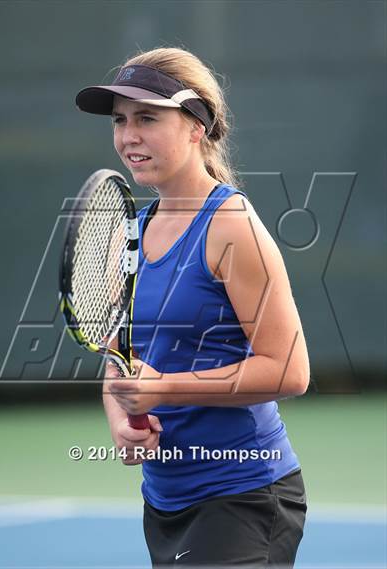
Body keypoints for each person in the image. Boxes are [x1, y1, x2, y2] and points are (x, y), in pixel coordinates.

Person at [76, 47, 309, 567]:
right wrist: (121, 419)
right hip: (163, 501)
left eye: (147, 118)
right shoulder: (129, 237)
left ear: (195, 126)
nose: (127, 136)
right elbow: (119, 361)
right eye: (120, 121)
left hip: (243, 497)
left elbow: (290, 371)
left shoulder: (230, 226)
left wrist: (164, 389)